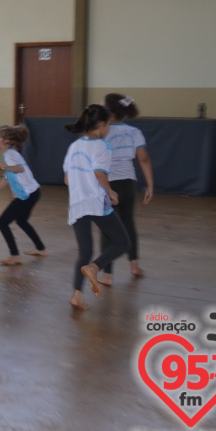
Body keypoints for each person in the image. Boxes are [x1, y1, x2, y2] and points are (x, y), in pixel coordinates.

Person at [62, 104, 131, 311]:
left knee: (85, 252)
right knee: (122, 242)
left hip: (77, 203)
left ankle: (76, 296)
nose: (109, 128)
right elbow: (100, 174)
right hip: (95, 202)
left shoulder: (74, 147)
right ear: (101, 125)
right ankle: (94, 268)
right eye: (108, 124)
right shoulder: (102, 146)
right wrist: (110, 192)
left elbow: (67, 179)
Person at [97, 94, 154, 285]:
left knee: (107, 228)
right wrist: (150, 184)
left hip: (108, 183)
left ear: (109, 112)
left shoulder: (102, 131)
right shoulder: (134, 131)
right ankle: (134, 265)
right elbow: (143, 159)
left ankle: (107, 274)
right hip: (128, 183)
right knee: (128, 223)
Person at [0, 124, 48, 265]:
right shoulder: (10, 154)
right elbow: (7, 178)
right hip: (33, 193)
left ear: (5, 141)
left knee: (2, 222)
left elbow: (20, 169)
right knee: (21, 221)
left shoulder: (10, 155)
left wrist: (7, 167)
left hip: (27, 195)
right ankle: (41, 248)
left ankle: (14, 255)